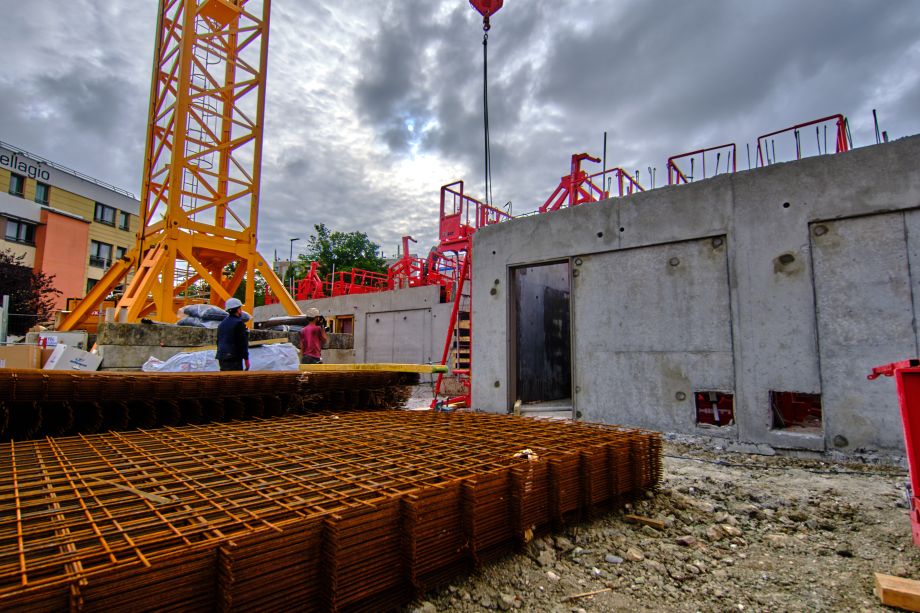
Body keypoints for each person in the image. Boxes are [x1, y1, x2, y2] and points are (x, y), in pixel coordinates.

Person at [215, 298, 250, 371]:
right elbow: (243, 343)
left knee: (225, 380)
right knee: (235, 381)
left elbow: (218, 341)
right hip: (233, 358)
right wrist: (246, 360)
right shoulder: (239, 323)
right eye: (240, 308)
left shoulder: (221, 324)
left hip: (221, 357)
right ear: (238, 310)